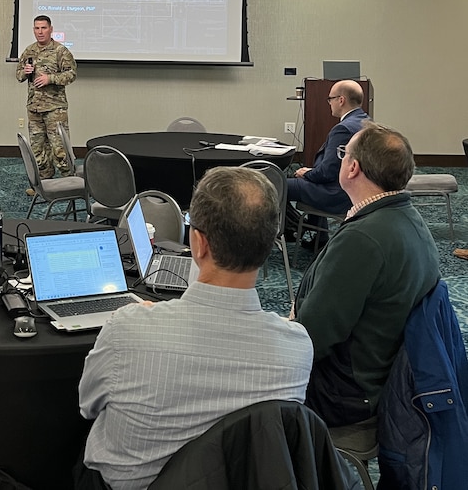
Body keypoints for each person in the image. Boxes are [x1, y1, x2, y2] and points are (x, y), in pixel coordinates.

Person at [77, 166, 313, 490]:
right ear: (270, 244)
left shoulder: (127, 330)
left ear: (198, 244)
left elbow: (87, 405)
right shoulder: (298, 348)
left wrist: (152, 321)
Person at [293, 122, 440, 428]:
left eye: (343, 153)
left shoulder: (363, 239)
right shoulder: (407, 218)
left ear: (352, 168)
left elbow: (311, 339)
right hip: (378, 376)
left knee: (237, 383)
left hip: (343, 394)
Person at [287, 79, 369, 217]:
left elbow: (327, 172)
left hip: (336, 194)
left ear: (341, 100)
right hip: (355, 188)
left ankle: (291, 230)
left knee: (277, 184)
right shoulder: (366, 121)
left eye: (330, 99)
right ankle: (317, 234)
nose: (329, 103)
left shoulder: (343, 129)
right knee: (305, 178)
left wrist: (306, 173)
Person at [15, 15, 77, 181]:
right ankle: (44, 182)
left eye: (43, 28)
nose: (40, 32)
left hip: (55, 109)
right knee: (38, 149)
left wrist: (50, 79)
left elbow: (71, 74)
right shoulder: (29, 51)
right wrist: (25, 72)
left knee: (60, 149)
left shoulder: (60, 51)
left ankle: (69, 182)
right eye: (37, 28)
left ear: (51, 29)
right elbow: (18, 75)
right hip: (34, 108)